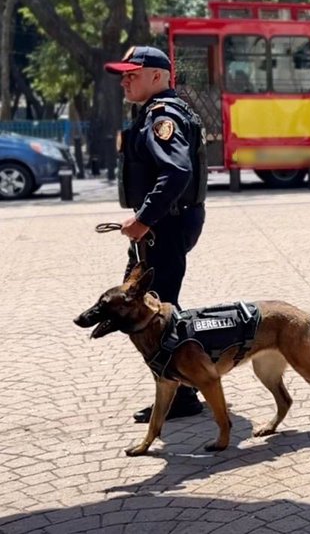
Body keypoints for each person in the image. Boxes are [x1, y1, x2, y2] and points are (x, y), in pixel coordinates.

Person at [105, 46, 208, 424]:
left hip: (165, 226)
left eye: (132, 74)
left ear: (158, 76)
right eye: (123, 75)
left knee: (154, 312)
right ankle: (185, 385)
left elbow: (177, 172)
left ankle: (182, 392)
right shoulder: (157, 111)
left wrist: (144, 219)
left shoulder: (163, 115)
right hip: (165, 224)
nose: (124, 81)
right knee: (154, 307)